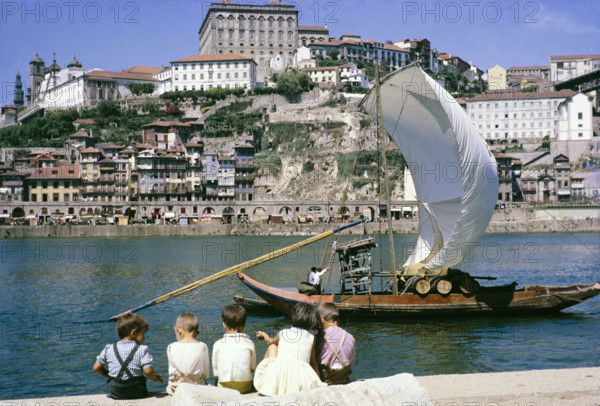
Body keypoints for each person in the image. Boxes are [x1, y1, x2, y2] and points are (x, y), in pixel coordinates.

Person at [253, 303, 327, 396]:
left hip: (282, 373)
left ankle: (266, 380)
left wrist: (264, 336)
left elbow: (271, 342)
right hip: (301, 376)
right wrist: (318, 381)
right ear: (312, 321)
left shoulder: (283, 332)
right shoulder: (311, 337)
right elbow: (313, 362)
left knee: (272, 347)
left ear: (293, 316)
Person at [93, 313, 163, 399]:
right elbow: (148, 371)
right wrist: (156, 378)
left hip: (116, 392)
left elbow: (96, 368)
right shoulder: (142, 349)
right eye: (143, 334)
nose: (144, 337)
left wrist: (109, 375)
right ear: (134, 333)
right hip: (137, 391)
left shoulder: (109, 348)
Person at [212, 304, 256, 394]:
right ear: (244, 325)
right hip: (245, 386)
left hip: (224, 387)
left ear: (224, 325)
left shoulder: (217, 344)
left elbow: (216, 372)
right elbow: (253, 367)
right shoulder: (249, 343)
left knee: (217, 379)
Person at [166, 313, 210, 395]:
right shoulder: (203, 346)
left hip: (175, 389)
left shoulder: (170, 347)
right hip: (196, 388)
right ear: (197, 333)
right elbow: (206, 373)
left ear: (178, 331)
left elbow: (171, 372)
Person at [316, 303, 355, 385]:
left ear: (322, 319)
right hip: (343, 378)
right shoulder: (350, 337)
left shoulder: (319, 337)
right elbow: (351, 362)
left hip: (325, 379)